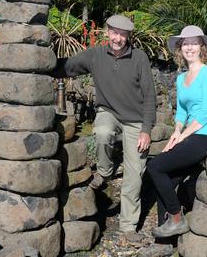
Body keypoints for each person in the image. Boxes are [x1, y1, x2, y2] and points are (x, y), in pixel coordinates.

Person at [53, 14, 156, 244]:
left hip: (135, 120)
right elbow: (68, 66)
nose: (118, 38)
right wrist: (41, 64)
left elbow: (150, 96)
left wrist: (146, 129)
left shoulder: (139, 58)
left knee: (134, 174)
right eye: (114, 33)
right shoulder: (96, 55)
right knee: (102, 132)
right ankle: (105, 171)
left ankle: (129, 227)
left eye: (123, 34)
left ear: (128, 36)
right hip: (108, 112)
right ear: (107, 32)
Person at [147, 25, 207, 238]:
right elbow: (181, 111)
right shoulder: (181, 78)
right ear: (181, 48)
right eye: (185, 43)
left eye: (194, 43)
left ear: (201, 48)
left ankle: (177, 218)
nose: (189, 47)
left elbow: (205, 113)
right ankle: (167, 237)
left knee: (155, 167)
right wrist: (176, 131)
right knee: (168, 180)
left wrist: (183, 136)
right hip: (190, 133)